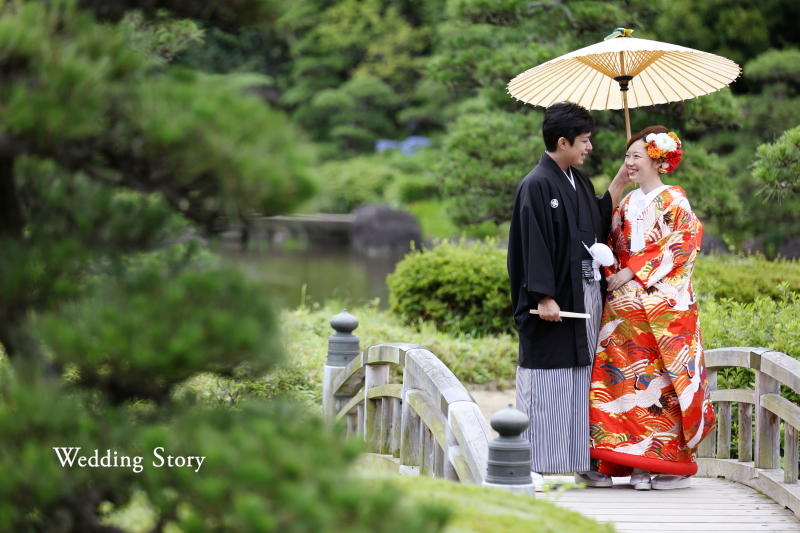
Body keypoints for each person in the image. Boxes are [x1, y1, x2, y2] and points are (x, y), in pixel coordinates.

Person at [507, 102, 629, 488]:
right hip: (554, 300)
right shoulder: (536, 184)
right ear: (563, 142)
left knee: (585, 380)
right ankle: (533, 462)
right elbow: (531, 245)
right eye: (585, 141)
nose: (589, 147)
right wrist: (542, 296)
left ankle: (584, 458)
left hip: (584, 295)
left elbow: (594, 221)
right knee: (548, 380)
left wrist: (622, 179)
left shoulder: (577, 180)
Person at [588, 126, 715, 491]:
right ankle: (631, 462)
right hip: (622, 311)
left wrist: (632, 270)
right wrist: (612, 264)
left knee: (661, 386)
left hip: (660, 310)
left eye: (636, 157)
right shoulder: (627, 203)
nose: (629, 163)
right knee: (618, 385)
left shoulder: (676, 201)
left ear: (658, 161)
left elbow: (682, 245)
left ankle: (665, 465)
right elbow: (612, 242)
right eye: (627, 156)